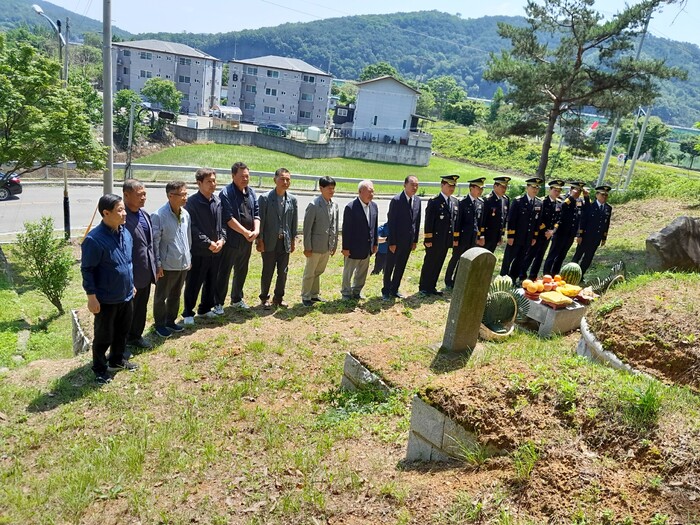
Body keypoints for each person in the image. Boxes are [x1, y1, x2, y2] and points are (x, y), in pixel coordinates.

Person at [81, 194, 138, 384]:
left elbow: (127, 262)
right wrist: (91, 297)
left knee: (122, 331)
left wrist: (131, 284)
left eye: (124, 209)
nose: (124, 214)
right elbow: (87, 270)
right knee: (104, 335)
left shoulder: (125, 233)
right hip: (106, 298)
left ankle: (117, 360)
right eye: (120, 210)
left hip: (126, 294)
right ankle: (99, 369)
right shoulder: (94, 240)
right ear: (106, 213)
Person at [182, 168, 226, 325]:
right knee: (194, 282)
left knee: (212, 280)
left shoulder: (217, 201)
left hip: (216, 250)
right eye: (209, 181)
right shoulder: (191, 203)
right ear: (199, 183)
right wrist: (208, 243)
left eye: (214, 181)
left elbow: (222, 224)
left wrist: (222, 239)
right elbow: (192, 228)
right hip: (199, 251)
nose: (213, 184)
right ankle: (188, 312)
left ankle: (205, 308)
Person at [217, 162, 260, 310]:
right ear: (233, 176)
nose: (245, 179)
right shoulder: (226, 193)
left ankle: (237, 299)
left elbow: (256, 213)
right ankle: (218, 303)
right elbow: (229, 218)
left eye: (247, 176)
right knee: (224, 272)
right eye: (242, 176)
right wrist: (245, 232)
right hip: (231, 240)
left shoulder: (251, 192)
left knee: (242, 270)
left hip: (247, 240)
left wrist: (256, 231)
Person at [152, 181, 192, 338]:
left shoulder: (185, 214)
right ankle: (159, 324)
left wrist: (189, 257)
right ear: (170, 196)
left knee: (176, 294)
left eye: (186, 194)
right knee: (161, 296)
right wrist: (158, 264)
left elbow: (188, 238)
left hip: (182, 263)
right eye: (182, 194)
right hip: (167, 265)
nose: (185, 197)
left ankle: (170, 321)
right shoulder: (159, 215)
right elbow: (154, 242)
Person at [256, 168, 298, 309]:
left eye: (288, 179)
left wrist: (293, 240)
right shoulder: (265, 198)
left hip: (284, 242)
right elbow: (260, 221)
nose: (285, 182)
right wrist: (259, 240)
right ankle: (264, 298)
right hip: (269, 242)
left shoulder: (292, 200)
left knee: (283, 272)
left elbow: (293, 222)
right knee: (267, 271)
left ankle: (278, 298)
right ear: (275, 180)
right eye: (282, 179)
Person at [122, 179, 156, 351]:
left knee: (141, 307)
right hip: (130, 274)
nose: (143, 198)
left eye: (145, 194)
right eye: (139, 195)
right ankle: (122, 343)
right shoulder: (121, 218)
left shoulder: (144, 215)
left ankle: (136, 336)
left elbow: (150, 244)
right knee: (126, 312)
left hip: (145, 271)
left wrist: (156, 265)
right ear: (126, 195)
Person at [419, 175, 460, 296]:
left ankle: (432, 286)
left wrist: (454, 238)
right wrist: (428, 238)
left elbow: (454, 222)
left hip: (446, 240)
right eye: (449, 185)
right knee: (430, 263)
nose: (452, 188)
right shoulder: (435, 201)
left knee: (439, 263)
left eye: (454, 186)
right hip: (435, 239)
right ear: (442, 185)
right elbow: (429, 221)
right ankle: (424, 287)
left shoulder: (454, 201)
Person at [301, 176, 339, 306]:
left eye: (333, 188)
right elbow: (307, 228)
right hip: (315, 245)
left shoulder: (334, 205)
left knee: (318, 271)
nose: (332, 191)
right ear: (321, 188)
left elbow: (335, 226)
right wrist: (307, 246)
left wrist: (334, 244)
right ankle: (306, 296)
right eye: (329, 188)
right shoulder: (314, 205)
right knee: (310, 272)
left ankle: (314, 294)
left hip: (327, 245)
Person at [382, 175, 422, 299]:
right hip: (396, 241)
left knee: (401, 266)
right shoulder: (397, 200)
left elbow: (417, 222)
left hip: (408, 241)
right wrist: (392, 242)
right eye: (412, 185)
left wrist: (415, 240)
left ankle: (394, 289)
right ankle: (386, 290)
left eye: (416, 185)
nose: (414, 188)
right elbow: (392, 222)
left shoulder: (417, 201)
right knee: (390, 266)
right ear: (405, 185)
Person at [500, 177, 544, 282]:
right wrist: (510, 236)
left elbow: (537, 222)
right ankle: (502, 279)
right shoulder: (518, 201)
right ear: (527, 188)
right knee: (508, 259)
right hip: (516, 237)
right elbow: (511, 220)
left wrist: (534, 237)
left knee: (520, 260)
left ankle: (513, 278)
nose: (535, 190)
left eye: (537, 188)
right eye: (533, 187)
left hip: (528, 238)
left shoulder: (539, 203)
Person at [444, 177, 485, 289]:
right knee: (456, 258)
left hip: (472, 238)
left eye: (482, 189)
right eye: (479, 188)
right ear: (471, 188)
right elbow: (457, 222)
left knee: (467, 259)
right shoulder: (462, 202)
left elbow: (480, 222)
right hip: (462, 237)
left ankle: (459, 279)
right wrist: (455, 239)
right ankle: (448, 280)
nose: (481, 191)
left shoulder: (480, 203)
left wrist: (480, 236)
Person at [341, 180, 379, 299]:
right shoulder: (351, 207)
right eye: (369, 191)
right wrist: (345, 248)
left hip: (367, 247)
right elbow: (346, 229)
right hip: (353, 247)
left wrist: (375, 243)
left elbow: (375, 226)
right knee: (348, 272)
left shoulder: (374, 206)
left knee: (362, 272)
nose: (371, 194)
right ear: (360, 192)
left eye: (372, 191)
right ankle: (346, 292)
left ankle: (357, 291)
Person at [543, 181, 589, 276]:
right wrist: (571, 197)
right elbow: (561, 207)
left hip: (571, 233)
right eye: (577, 190)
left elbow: (587, 210)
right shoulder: (563, 198)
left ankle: (555, 274)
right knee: (553, 255)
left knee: (562, 256)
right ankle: (546, 274)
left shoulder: (579, 201)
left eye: (580, 191)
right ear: (571, 189)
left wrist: (586, 197)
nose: (578, 193)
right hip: (560, 232)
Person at [521, 179, 564, 280]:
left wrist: (553, 231)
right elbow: (538, 219)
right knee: (530, 255)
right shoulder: (542, 201)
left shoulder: (559, 203)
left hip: (548, 235)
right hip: (539, 233)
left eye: (559, 191)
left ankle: (533, 276)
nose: (557, 193)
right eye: (555, 190)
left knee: (540, 256)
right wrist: (545, 231)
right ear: (550, 190)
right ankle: (522, 275)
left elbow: (558, 220)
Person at [572, 185, 613, 278]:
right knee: (578, 255)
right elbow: (583, 221)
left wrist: (604, 237)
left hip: (596, 237)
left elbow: (606, 224)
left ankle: (580, 276)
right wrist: (579, 235)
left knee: (588, 258)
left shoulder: (608, 208)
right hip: (586, 236)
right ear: (597, 195)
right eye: (602, 194)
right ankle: (571, 273)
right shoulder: (590, 206)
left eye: (606, 195)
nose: (604, 197)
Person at [481, 176, 511, 252]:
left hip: (496, 235)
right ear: (495, 186)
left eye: (505, 187)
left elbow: (504, 219)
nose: (504, 189)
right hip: (487, 235)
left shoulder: (505, 200)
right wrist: (481, 235)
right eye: (502, 187)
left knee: (490, 255)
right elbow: (482, 219)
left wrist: (501, 234)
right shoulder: (487, 200)